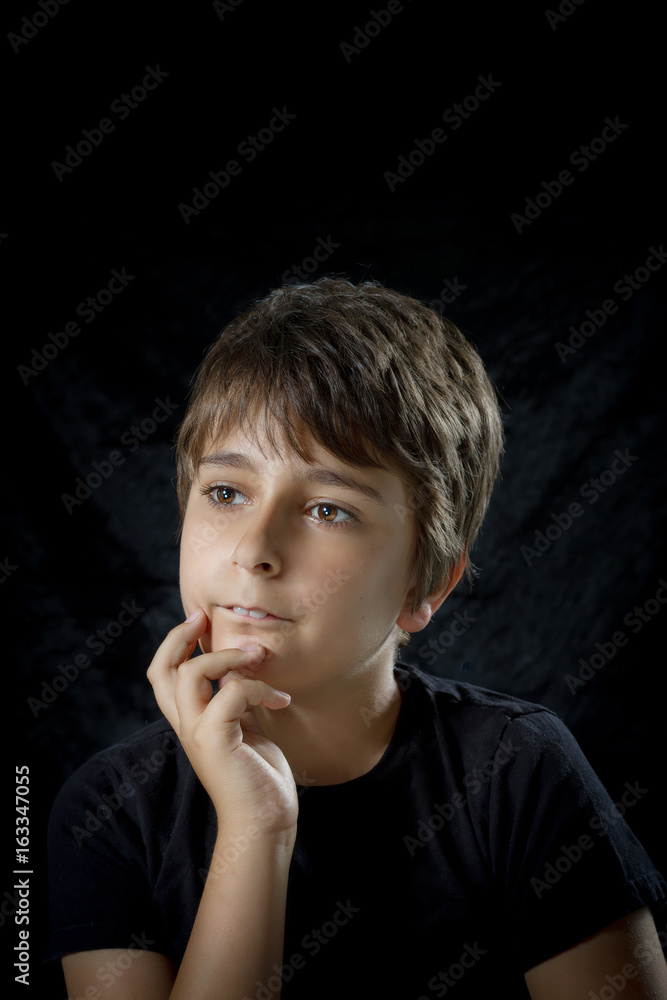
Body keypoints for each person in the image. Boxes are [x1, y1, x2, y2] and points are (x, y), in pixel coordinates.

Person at [46, 277, 667, 999]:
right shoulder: (107, 811)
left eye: (328, 509)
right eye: (226, 493)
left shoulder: (520, 771)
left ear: (424, 586)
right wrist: (256, 827)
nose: (254, 549)